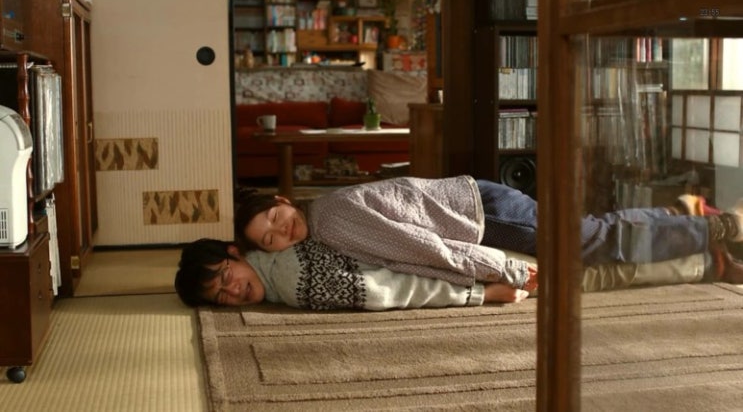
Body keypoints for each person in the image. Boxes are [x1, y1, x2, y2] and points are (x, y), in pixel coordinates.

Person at [234, 175, 743, 285]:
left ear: (283, 201)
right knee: (591, 236)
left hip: (484, 218)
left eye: (276, 218)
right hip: (480, 206)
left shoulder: (329, 219)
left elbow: (422, 247)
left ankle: (718, 228)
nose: (283, 232)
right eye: (270, 239)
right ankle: (684, 216)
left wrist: (502, 271)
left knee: (591, 242)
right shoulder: (324, 218)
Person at [174, 238, 538, 309]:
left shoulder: (290, 280)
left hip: (479, 239)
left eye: (226, 279)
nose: (233, 291)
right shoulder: (280, 246)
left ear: (234, 253)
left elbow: (388, 289)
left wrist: (478, 295)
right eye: (220, 296)